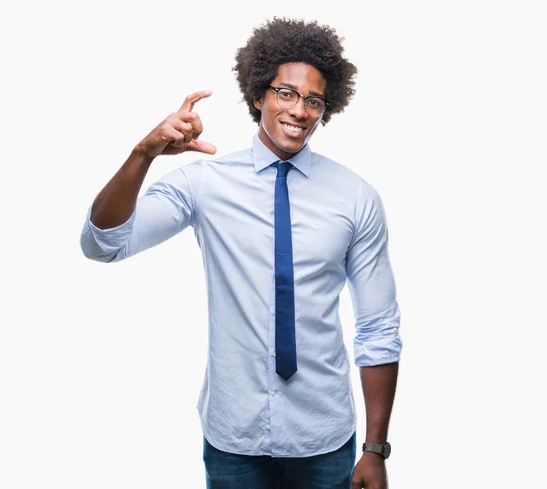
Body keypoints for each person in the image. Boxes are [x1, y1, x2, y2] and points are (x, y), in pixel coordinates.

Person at [80, 17, 402, 489]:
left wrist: (375, 449)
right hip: (235, 439)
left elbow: (379, 327)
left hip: (324, 437)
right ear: (258, 96)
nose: (299, 110)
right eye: (286, 93)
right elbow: (103, 245)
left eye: (314, 100)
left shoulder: (356, 197)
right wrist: (143, 154)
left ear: (325, 109)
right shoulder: (204, 184)